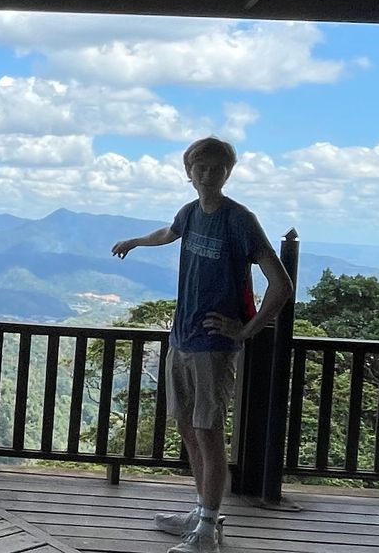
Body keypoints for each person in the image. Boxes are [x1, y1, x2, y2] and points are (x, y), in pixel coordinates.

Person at [110, 136, 293, 553]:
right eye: (200, 168)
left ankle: (208, 528)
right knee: (190, 431)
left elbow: (280, 284)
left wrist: (246, 330)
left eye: (216, 168)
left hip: (213, 344)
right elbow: (169, 233)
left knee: (208, 432)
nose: (208, 174)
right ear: (189, 173)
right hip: (182, 338)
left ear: (228, 172)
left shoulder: (239, 220)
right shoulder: (191, 214)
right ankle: (200, 511)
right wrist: (136, 241)